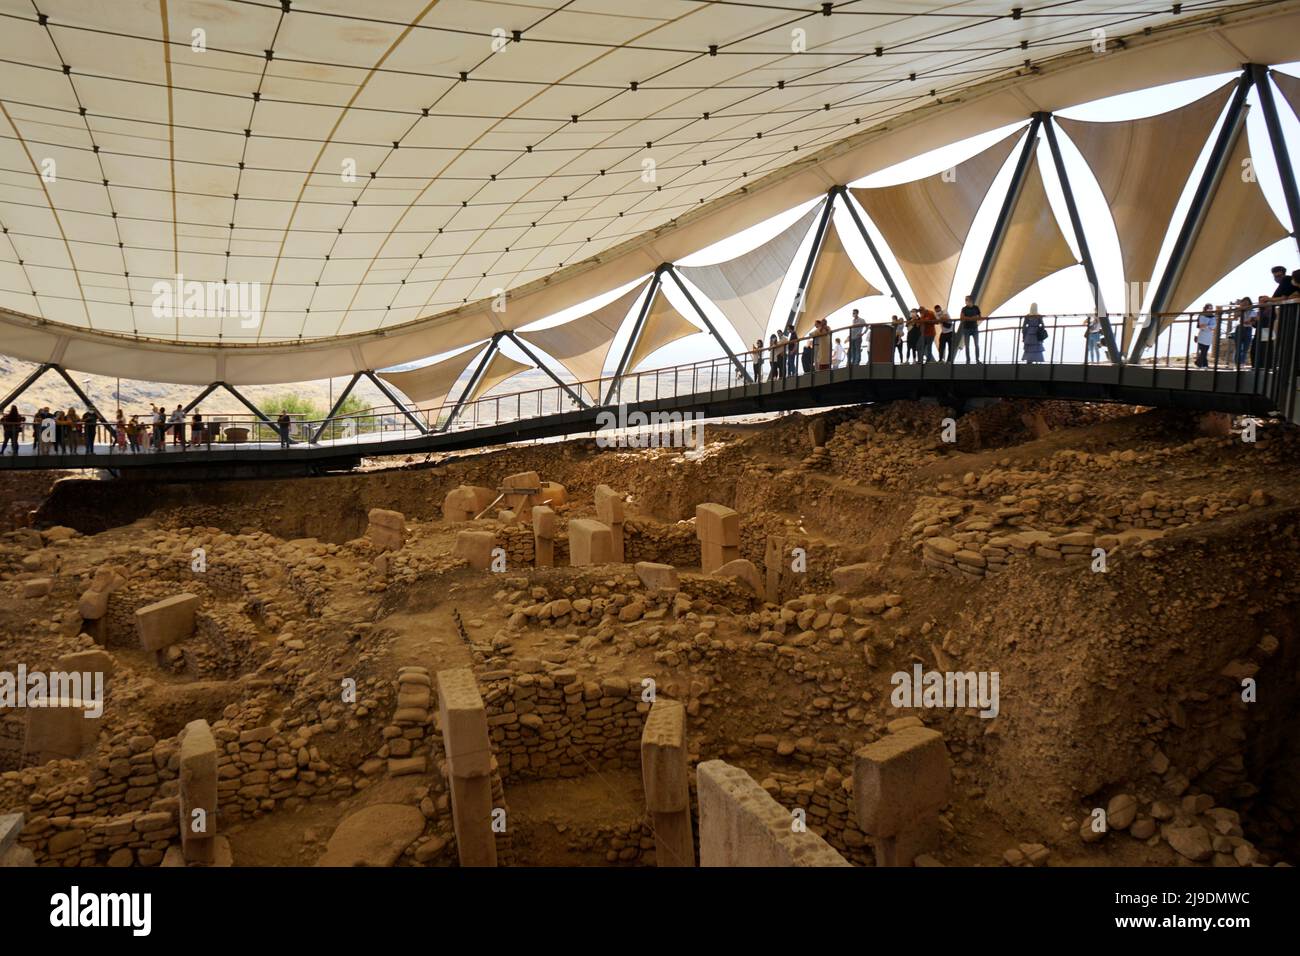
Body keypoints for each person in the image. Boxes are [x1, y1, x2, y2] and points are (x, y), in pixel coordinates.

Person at [1233, 297, 1256, 367]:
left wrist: (1247, 320)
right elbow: (1235, 317)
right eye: (1244, 302)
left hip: (1248, 329)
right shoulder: (1240, 310)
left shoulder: (1252, 311)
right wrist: (1240, 309)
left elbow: (1250, 321)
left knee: (1245, 348)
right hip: (1240, 328)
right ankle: (1237, 363)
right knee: (1238, 347)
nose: (1245, 304)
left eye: (1247, 302)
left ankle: (1242, 363)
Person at [959, 296, 981, 363]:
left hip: (974, 328)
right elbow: (961, 317)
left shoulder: (976, 307)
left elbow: (979, 316)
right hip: (966, 328)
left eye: (967, 300)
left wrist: (967, 318)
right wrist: (972, 318)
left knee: (976, 344)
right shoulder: (964, 308)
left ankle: (977, 359)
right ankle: (968, 360)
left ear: (971, 301)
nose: (965, 301)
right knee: (967, 345)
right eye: (965, 300)